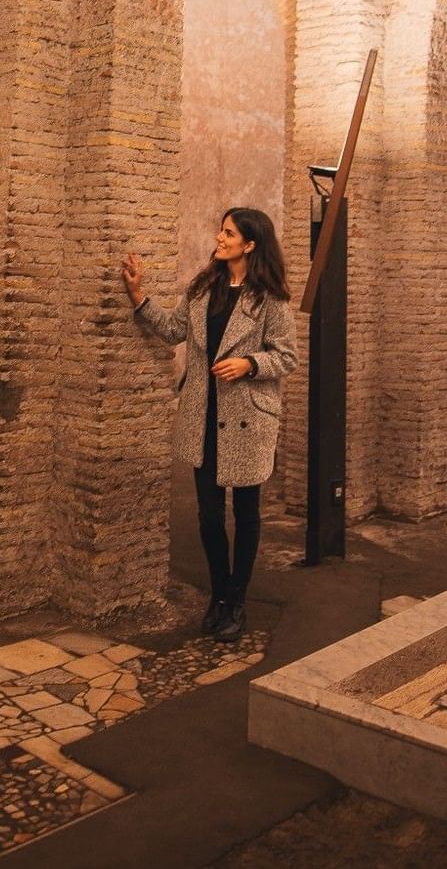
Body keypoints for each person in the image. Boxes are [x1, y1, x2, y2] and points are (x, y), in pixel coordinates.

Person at [123, 207, 297, 642]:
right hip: (203, 415)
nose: (220, 238)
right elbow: (172, 330)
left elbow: (287, 356)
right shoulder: (203, 289)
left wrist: (250, 363)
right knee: (208, 515)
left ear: (250, 245)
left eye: (229, 233)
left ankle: (237, 601)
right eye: (221, 231)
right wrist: (139, 297)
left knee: (247, 513)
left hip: (248, 418)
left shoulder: (269, 299)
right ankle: (219, 595)